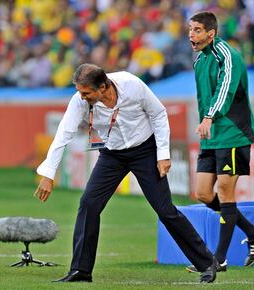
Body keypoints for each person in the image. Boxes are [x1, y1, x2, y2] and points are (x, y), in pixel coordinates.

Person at [34, 63, 218, 283]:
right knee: (88, 205)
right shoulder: (79, 101)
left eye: (86, 93)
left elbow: (158, 114)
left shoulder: (132, 85)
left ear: (103, 87)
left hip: (145, 151)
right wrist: (48, 173)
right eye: (79, 92)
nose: (81, 97)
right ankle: (81, 270)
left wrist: (163, 154)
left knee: (165, 210)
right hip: (111, 155)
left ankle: (207, 262)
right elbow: (63, 134)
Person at [186, 11, 254, 273]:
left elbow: (226, 90)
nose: (192, 34)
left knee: (224, 189)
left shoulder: (228, 55)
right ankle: (253, 232)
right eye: (190, 29)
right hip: (211, 136)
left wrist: (209, 116)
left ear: (211, 33)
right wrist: (206, 122)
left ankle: (218, 259)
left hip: (233, 133)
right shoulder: (200, 61)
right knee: (202, 193)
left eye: (197, 29)